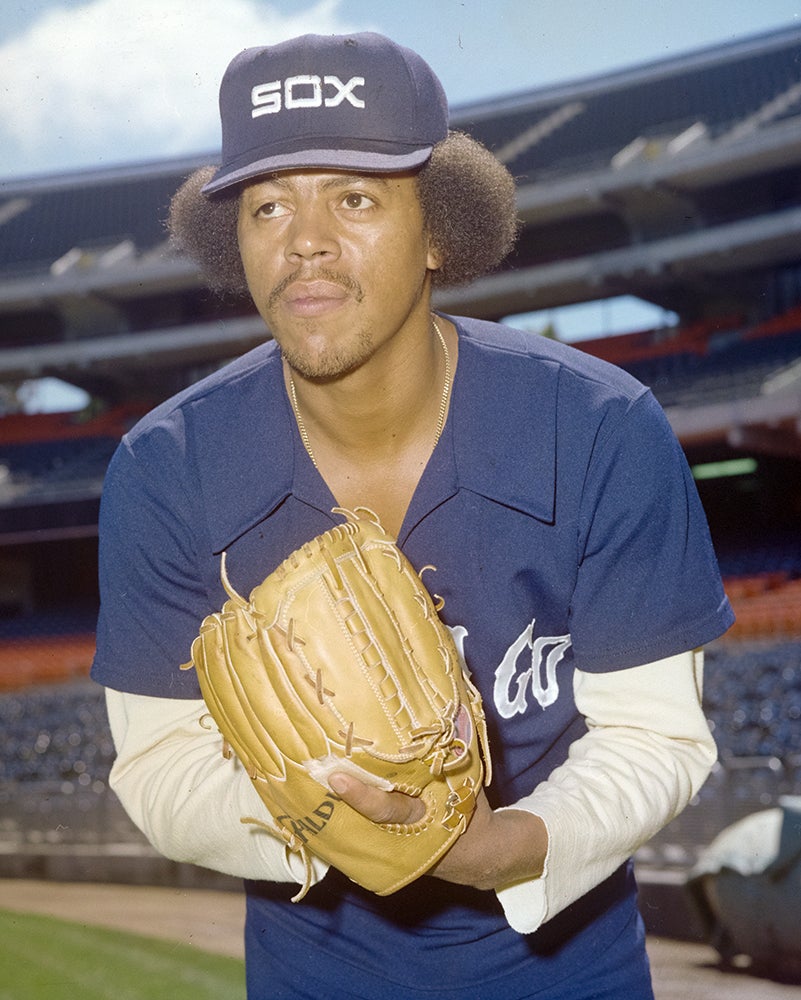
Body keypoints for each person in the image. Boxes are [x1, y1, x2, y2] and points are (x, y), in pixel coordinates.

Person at [91, 32, 734, 1000]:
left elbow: (656, 737)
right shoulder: (168, 464)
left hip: (565, 963)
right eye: (268, 205)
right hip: (317, 968)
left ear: (440, 231)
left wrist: (500, 844)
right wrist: (340, 822)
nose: (303, 237)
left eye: (354, 197)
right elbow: (160, 767)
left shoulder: (597, 424)